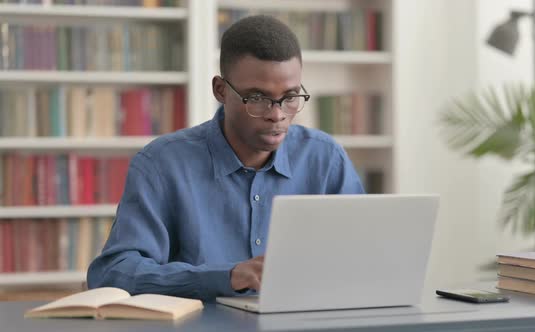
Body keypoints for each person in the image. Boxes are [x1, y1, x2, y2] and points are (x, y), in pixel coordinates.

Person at [87, 15, 364, 301]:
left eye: (290, 96)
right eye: (257, 97)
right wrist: (226, 278)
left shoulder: (324, 157)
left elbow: (365, 255)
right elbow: (113, 273)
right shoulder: (161, 164)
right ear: (221, 90)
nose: (277, 114)